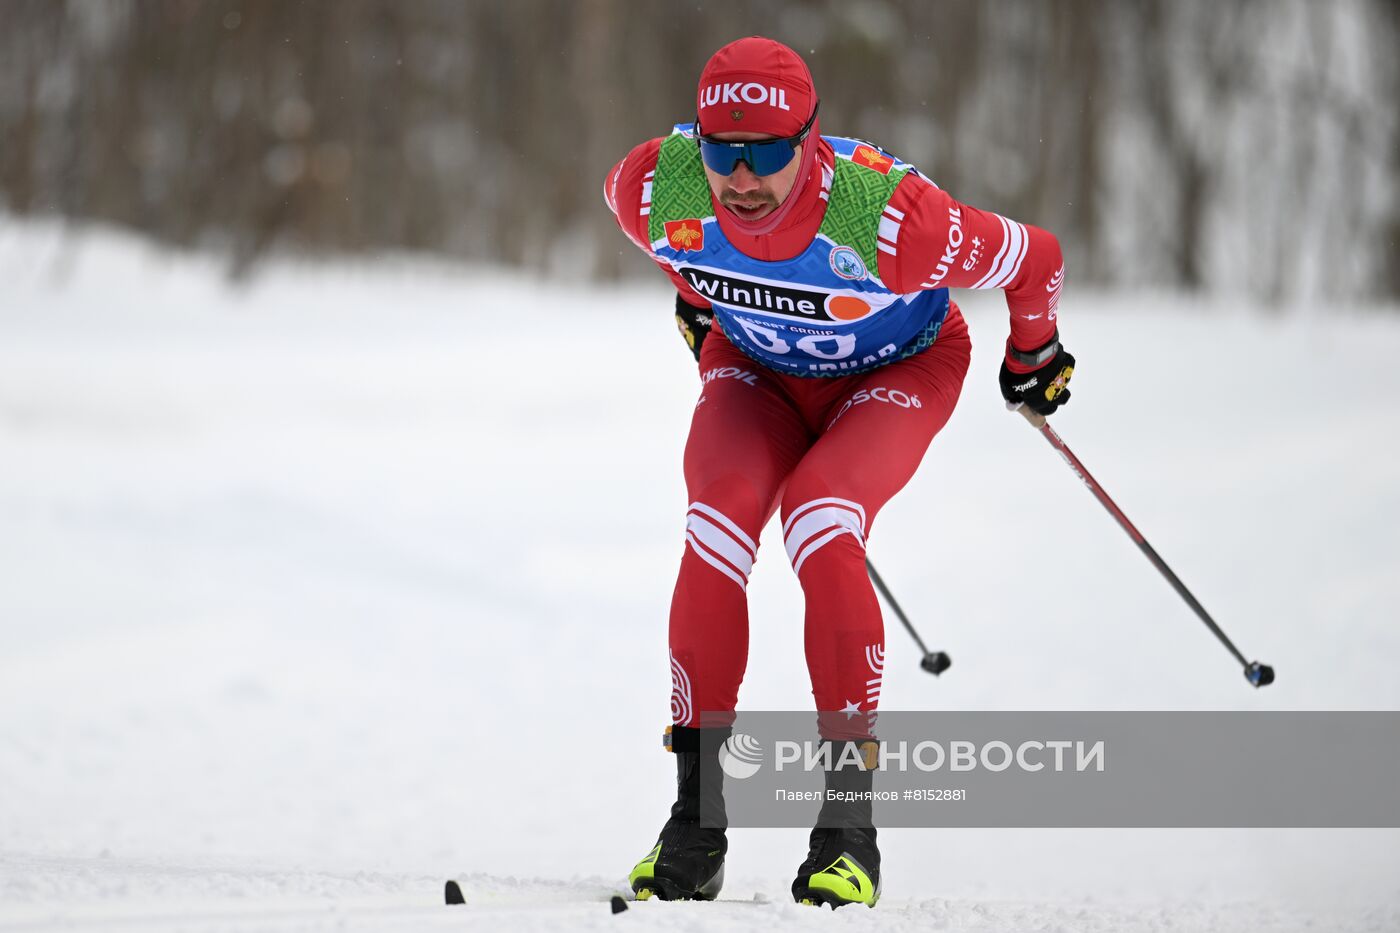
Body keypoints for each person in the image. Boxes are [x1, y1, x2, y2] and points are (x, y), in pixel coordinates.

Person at [603, 36, 1073, 908]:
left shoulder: (894, 222)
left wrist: (1034, 352)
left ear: (810, 142)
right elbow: (687, 256)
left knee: (820, 517)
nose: (741, 178)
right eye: (721, 152)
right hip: (761, 374)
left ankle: (847, 832)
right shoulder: (653, 187)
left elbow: (1033, 256)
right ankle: (695, 823)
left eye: (769, 154)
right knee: (715, 523)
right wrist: (702, 302)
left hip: (897, 372)